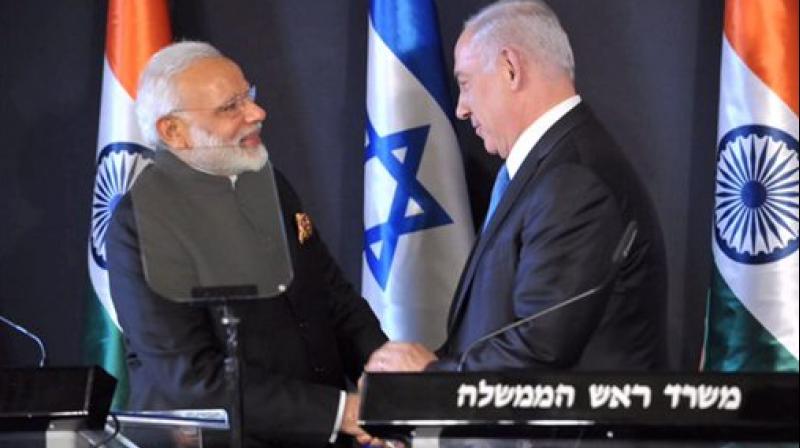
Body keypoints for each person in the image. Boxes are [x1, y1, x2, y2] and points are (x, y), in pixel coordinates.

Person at [106, 41, 387, 447]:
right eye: (229, 107)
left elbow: (332, 299)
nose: (256, 114)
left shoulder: (267, 182)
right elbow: (191, 379)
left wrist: (386, 389)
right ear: (173, 131)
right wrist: (342, 412)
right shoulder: (142, 224)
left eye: (248, 97)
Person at [366, 0, 666, 373]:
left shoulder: (573, 182)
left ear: (510, 68)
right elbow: (501, 333)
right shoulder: (551, 168)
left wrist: (429, 377)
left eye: (465, 84)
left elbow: (538, 351)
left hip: (569, 432)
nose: (460, 108)